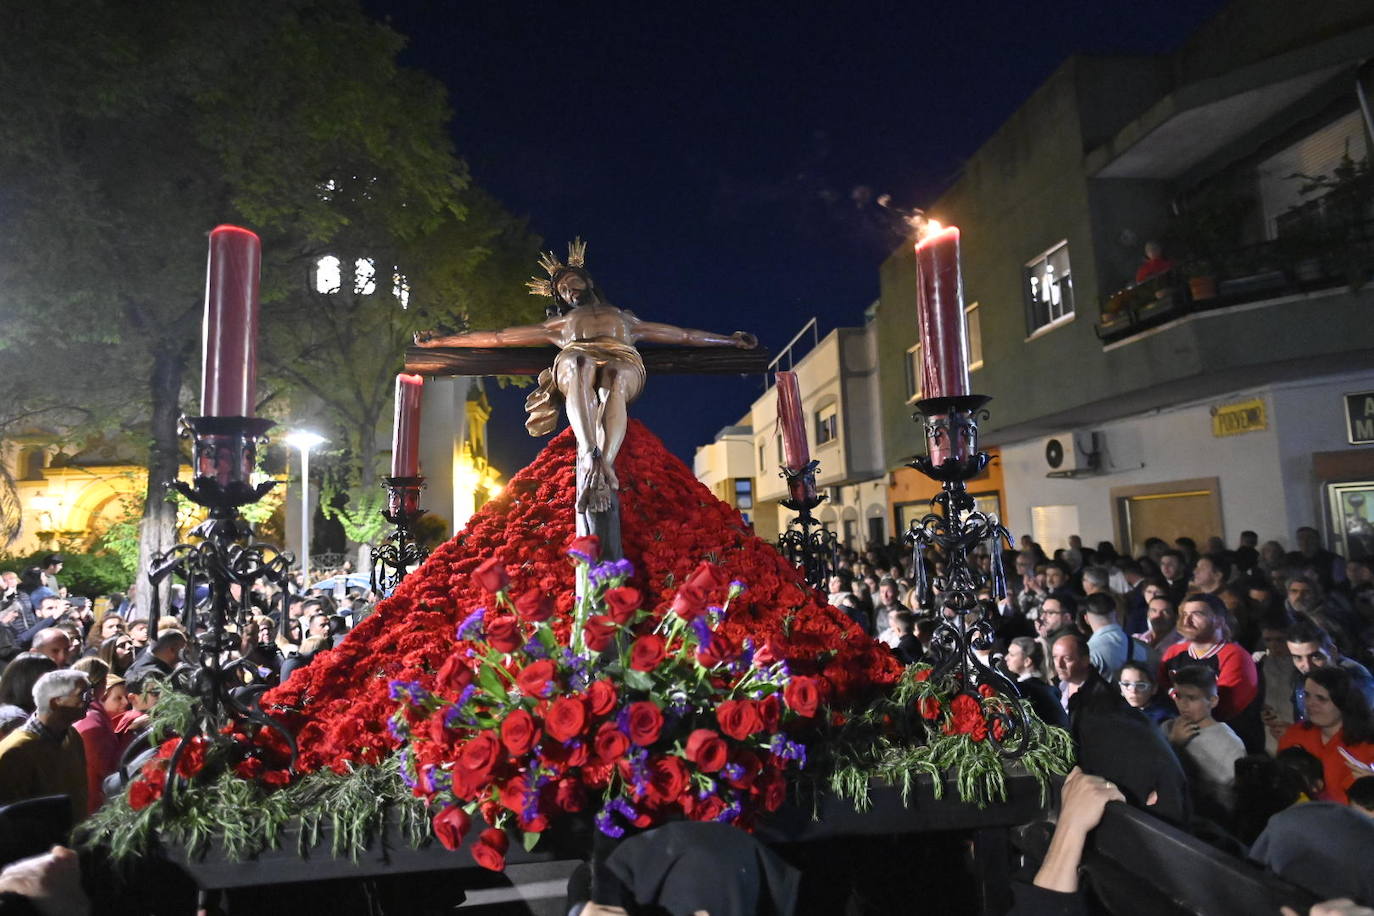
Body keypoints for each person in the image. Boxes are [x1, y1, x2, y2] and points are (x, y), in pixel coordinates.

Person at [416, 240, 757, 513]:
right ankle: (592, 452)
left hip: (623, 360)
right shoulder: (560, 325)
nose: (568, 290)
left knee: (616, 378)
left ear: (588, 280)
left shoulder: (624, 319)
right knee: (578, 362)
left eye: (571, 282)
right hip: (576, 361)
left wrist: (729, 341)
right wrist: (443, 342)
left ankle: (603, 466)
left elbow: (682, 335)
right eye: (562, 290)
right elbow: (498, 337)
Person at [1158, 593, 1260, 744]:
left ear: (1219, 620)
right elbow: (1160, 693)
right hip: (1178, 734)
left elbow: (1222, 708)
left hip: (1223, 742)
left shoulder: (1235, 656)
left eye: (1197, 614)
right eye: (1184, 614)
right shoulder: (1174, 652)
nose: (1187, 621)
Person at [0, 669, 90, 821]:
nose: (90, 700)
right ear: (55, 702)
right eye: (82, 694)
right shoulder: (15, 752)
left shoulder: (72, 735)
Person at [1278, 666, 1374, 805]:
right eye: (1307, 695)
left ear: (1343, 702)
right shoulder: (1295, 734)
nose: (1310, 704)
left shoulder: (1368, 745)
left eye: (1321, 698)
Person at [1162, 665, 1245, 818]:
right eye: (1178, 696)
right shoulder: (1168, 728)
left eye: (1192, 698)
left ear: (1212, 701)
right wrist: (1173, 743)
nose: (1183, 704)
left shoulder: (1231, 745)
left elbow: (1230, 798)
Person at [1118, 661, 1172, 727]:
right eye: (1126, 684)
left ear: (1154, 688)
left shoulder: (1163, 719)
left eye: (1140, 685)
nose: (1133, 690)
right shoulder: (1116, 712)